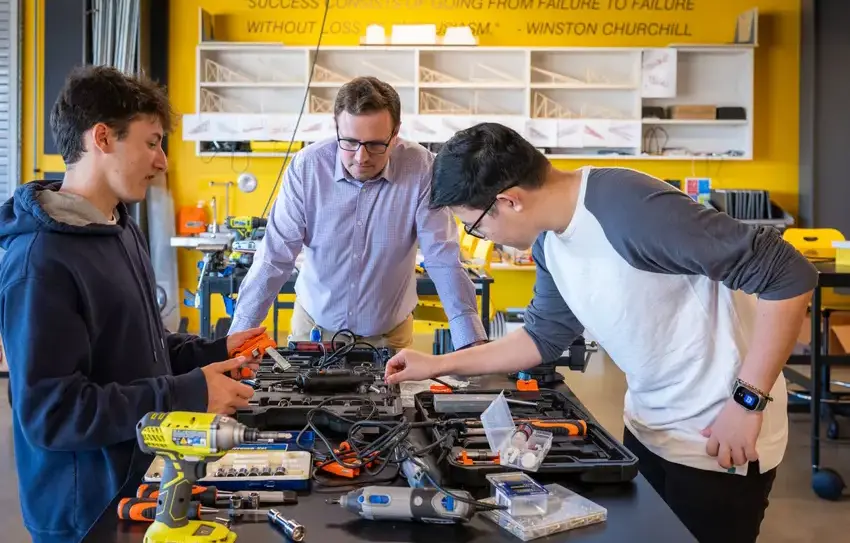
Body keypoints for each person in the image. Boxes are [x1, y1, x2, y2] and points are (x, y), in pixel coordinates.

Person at [384, 122, 818, 543]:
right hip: (647, 426)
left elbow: (788, 274)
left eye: (475, 225)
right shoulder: (549, 240)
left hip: (718, 435)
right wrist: (438, 364)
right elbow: (542, 337)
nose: (481, 237)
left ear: (510, 200)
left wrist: (747, 402)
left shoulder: (630, 208)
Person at [0, 65, 266, 543]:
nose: (162, 161)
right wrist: (188, 394)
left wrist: (215, 351)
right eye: (152, 142)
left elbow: (136, 349)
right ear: (102, 137)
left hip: (139, 482)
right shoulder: (40, 262)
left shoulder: (119, 227)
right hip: (85, 513)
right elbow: (52, 415)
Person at [229, 76, 487, 350]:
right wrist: (237, 338)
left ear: (395, 132)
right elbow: (274, 258)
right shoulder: (307, 168)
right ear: (336, 126)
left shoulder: (421, 168)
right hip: (314, 330)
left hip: (390, 337)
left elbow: (441, 257)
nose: (361, 157)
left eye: (376, 144)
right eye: (350, 142)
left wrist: (470, 340)